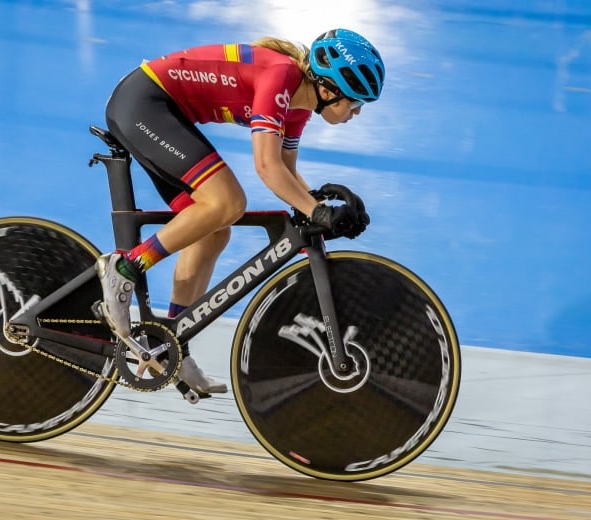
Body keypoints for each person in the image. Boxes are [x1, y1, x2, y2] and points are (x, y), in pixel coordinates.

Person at [98, 28, 383, 396]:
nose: (357, 113)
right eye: (356, 102)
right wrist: (317, 211)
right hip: (145, 103)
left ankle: (171, 343)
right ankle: (125, 268)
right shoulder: (281, 76)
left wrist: (321, 203)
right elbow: (267, 167)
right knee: (228, 202)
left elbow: (288, 171)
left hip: (157, 110)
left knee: (216, 229)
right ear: (328, 90)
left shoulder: (298, 109)